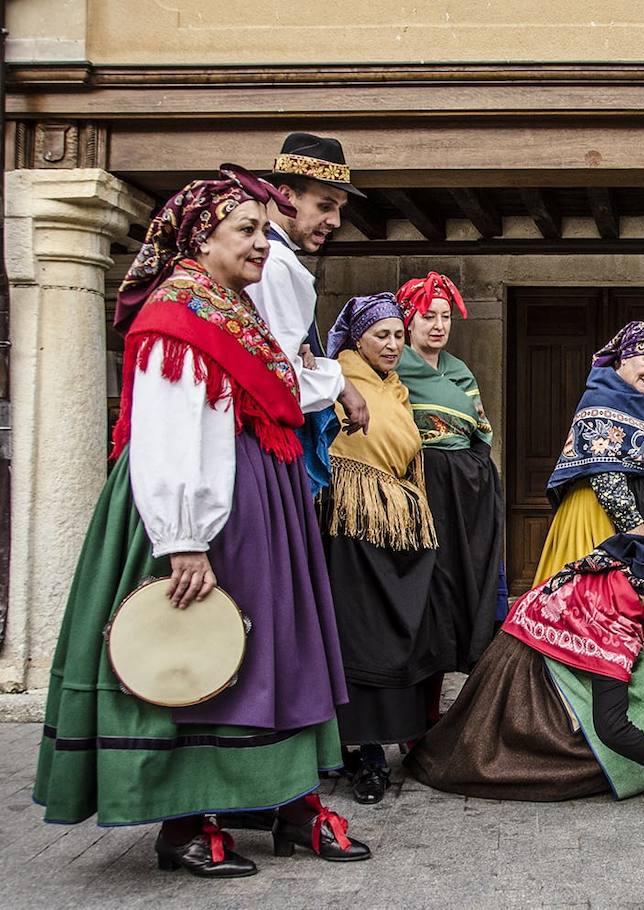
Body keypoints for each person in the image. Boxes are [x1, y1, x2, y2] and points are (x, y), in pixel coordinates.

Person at [34, 166, 368, 877]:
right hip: (205, 512)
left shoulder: (228, 308)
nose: (260, 243)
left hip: (257, 499)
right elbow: (170, 433)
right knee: (205, 656)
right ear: (198, 239)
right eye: (245, 231)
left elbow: (276, 385)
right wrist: (184, 540)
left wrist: (331, 378)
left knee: (277, 650)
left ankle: (290, 805)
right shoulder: (180, 315)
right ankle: (185, 821)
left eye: (260, 229)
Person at [405, 535, 644, 800]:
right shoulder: (612, 621)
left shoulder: (620, 580)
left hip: (545, 652)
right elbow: (611, 728)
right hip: (527, 679)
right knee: (597, 760)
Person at [320, 293, 439, 805]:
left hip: (400, 527)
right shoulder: (336, 379)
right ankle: (363, 752)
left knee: (402, 638)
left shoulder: (395, 390)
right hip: (353, 525)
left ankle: (395, 738)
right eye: (380, 336)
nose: (392, 345)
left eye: (396, 335)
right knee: (360, 639)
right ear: (357, 340)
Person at [395, 272, 505, 707]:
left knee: (453, 595)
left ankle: (435, 705)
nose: (438, 325)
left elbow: (481, 430)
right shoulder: (394, 365)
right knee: (419, 599)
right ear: (409, 321)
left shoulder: (459, 371)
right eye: (428, 317)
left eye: (445, 317)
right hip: (414, 491)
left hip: (463, 494)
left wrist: (476, 468)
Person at [247, 132, 371, 492]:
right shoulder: (273, 264)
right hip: (268, 448)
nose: (334, 221)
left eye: (339, 209)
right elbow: (281, 379)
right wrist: (341, 384)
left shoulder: (281, 261)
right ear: (285, 197)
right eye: (325, 205)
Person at [535, 321, 644, 592]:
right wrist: (636, 530)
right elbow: (605, 472)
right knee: (596, 600)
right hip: (602, 516)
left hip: (630, 510)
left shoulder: (640, 401)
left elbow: (638, 454)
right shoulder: (602, 399)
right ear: (625, 358)